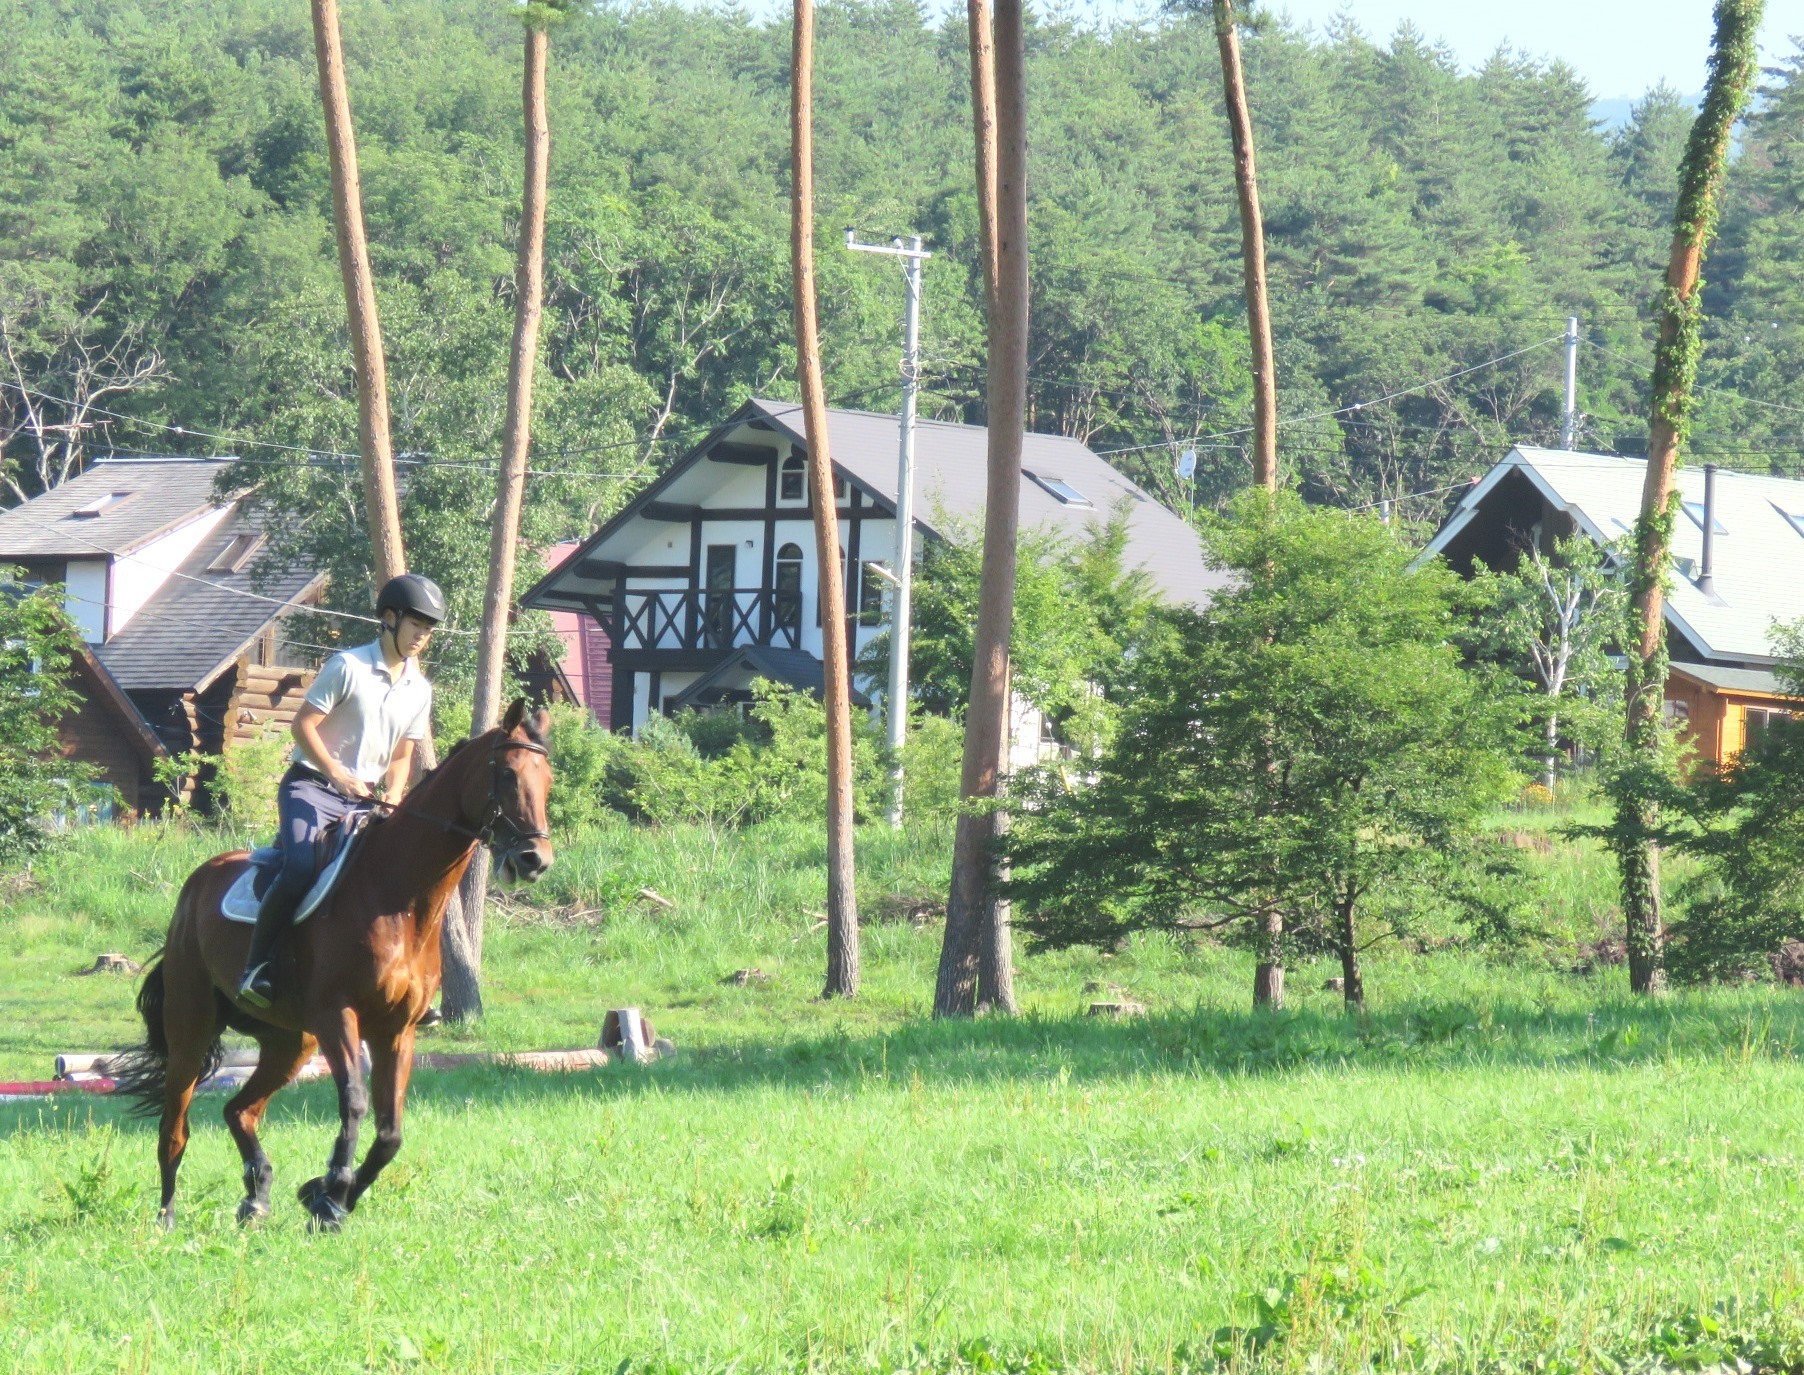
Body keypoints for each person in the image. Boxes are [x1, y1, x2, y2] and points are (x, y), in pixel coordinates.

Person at [236, 573, 446, 1008]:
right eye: (416, 625)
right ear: (389, 619)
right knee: (299, 868)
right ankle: (256, 967)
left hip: (366, 801)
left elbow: (402, 757)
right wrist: (336, 774)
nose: (422, 636)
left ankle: (409, 985)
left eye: (429, 629)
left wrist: (394, 793)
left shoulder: (420, 690)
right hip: (312, 787)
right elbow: (302, 726)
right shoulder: (347, 667)